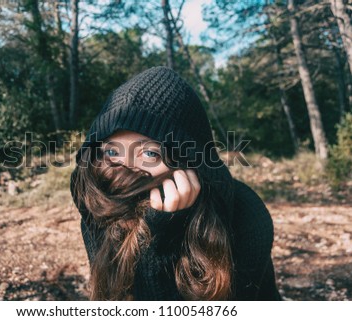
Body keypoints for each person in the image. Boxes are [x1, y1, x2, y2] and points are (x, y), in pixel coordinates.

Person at [69, 66, 282, 301]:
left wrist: (160, 243)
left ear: (188, 164)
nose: (123, 170)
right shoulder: (101, 207)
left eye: (150, 154)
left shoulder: (245, 214)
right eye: (112, 151)